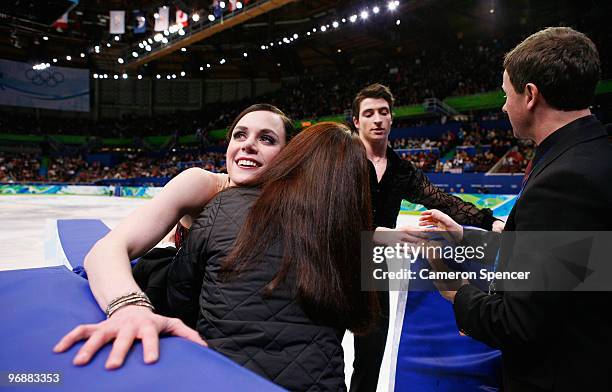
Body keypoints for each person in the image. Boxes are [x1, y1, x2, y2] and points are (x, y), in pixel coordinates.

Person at [420, 27, 612, 391]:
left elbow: (518, 323)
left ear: (530, 95)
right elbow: (573, 265)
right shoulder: (591, 154)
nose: (503, 106)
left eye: (505, 94)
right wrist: (467, 236)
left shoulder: (565, 181)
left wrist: (456, 290)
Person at [54, 104, 295, 369]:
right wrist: (130, 308)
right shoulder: (202, 184)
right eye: (240, 135)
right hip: (176, 302)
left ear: (289, 154)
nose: (248, 145)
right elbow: (107, 249)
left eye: (266, 138)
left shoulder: (298, 203)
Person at [165, 122, 379, 390]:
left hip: (222, 376)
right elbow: (360, 319)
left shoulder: (224, 204)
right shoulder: (353, 240)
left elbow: (179, 294)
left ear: (294, 156)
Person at [350, 83, 504, 392]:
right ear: (356, 122)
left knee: (370, 357)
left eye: (383, 112)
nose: (377, 119)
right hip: (333, 262)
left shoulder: (400, 170)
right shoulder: (340, 162)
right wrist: (378, 234)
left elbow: (440, 200)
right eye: (369, 114)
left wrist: (489, 221)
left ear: (392, 119)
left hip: (373, 269)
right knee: (323, 347)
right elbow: (327, 216)